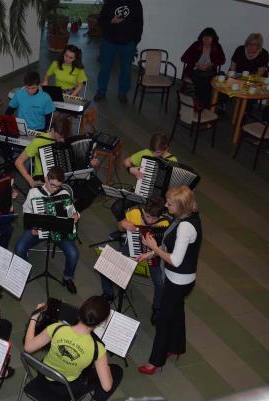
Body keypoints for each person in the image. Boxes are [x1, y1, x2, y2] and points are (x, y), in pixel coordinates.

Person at [137, 186, 202, 375]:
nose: (166, 205)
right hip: (182, 279)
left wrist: (154, 248)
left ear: (180, 206)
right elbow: (170, 245)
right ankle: (177, 346)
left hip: (178, 282)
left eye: (170, 204)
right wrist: (150, 253)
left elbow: (175, 260)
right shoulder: (187, 216)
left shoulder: (185, 227)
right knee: (177, 312)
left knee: (163, 321)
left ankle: (155, 362)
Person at [24, 296, 123, 401]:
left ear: (81, 311)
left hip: (43, 376)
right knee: (117, 371)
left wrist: (34, 317)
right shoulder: (98, 349)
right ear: (101, 323)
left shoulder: (56, 328)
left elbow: (28, 348)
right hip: (66, 390)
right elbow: (107, 387)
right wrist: (106, 368)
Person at [102, 197, 171, 325]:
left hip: (153, 255)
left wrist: (152, 251)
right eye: (148, 216)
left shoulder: (165, 223)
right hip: (131, 247)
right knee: (108, 265)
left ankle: (157, 308)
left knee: (160, 283)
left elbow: (166, 247)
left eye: (154, 219)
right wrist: (122, 225)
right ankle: (108, 294)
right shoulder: (135, 214)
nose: (150, 221)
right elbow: (120, 228)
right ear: (144, 211)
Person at [15, 167, 80, 294]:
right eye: (52, 185)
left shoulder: (64, 194)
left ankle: (68, 277)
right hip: (38, 230)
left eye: (58, 186)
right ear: (46, 179)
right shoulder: (34, 193)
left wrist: (76, 216)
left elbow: (73, 212)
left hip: (59, 231)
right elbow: (26, 211)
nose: (55, 189)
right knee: (19, 248)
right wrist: (32, 226)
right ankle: (26, 271)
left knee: (73, 254)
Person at [110, 133, 177, 221]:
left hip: (160, 198)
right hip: (142, 189)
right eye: (152, 151)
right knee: (116, 208)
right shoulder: (146, 153)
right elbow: (126, 161)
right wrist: (131, 169)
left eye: (158, 152)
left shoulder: (173, 161)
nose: (154, 154)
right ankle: (129, 226)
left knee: (161, 216)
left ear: (166, 148)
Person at [95, 0, 143, 103]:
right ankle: (101, 91)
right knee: (104, 68)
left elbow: (139, 23)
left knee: (126, 69)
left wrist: (135, 41)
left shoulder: (136, 2)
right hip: (109, 41)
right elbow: (101, 21)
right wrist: (111, 21)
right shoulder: (110, 2)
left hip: (128, 43)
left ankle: (122, 93)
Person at [14, 113, 72, 188]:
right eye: (60, 137)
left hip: (61, 177)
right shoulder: (38, 142)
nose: (63, 140)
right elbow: (18, 162)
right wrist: (31, 181)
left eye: (64, 137)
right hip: (42, 178)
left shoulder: (65, 139)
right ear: (52, 130)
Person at [181, 27, 226, 107]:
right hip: (194, 71)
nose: (206, 40)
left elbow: (222, 60)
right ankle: (203, 105)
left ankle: (202, 105)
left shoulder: (216, 46)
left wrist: (211, 64)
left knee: (207, 82)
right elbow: (184, 57)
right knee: (202, 82)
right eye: (204, 37)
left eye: (209, 38)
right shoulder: (196, 45)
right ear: (201, 37)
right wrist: (196, 64)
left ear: (213, 38)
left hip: (209, 72)